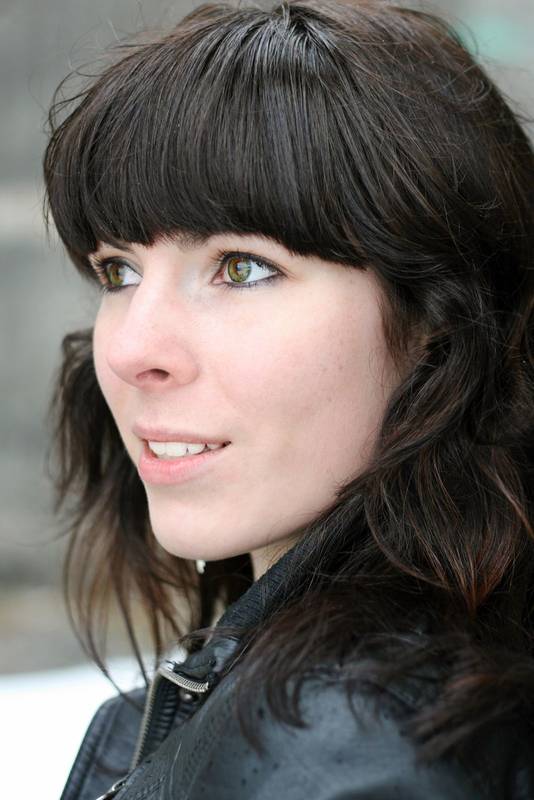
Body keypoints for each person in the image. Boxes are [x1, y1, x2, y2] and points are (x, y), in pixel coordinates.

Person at [43, 0, 534, 797]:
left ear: (437, 320)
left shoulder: (356, 752)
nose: (132, 351)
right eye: (118, 271)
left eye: (241, 268)